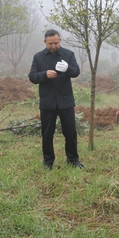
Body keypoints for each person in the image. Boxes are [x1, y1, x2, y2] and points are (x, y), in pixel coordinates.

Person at [28, 29, 83, 169]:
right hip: (48, 102)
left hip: (65, 101)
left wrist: (68, 68)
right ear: (44, 42)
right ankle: (48, 162)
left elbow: (76, 72)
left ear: (60, 41)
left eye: (56, 43)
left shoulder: (68, 54)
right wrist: (45, 74)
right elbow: (32, 77)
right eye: (50, 43)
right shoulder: (38, 57)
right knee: (47, 134)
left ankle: (73, 160)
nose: (53, 46)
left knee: (70, 133)